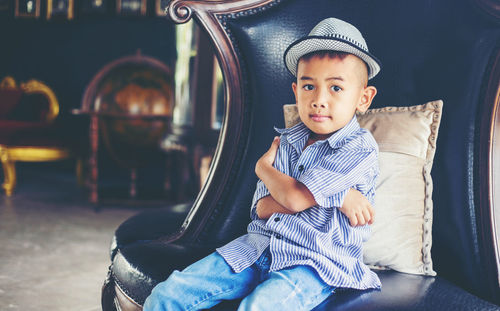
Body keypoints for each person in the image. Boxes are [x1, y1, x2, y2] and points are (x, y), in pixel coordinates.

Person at [143, 17, 382, 311]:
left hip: (314, 263)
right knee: (167, 294)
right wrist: (335, 196)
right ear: (296, 91)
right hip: (256, 248)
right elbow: (261, 208)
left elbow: (293, 199)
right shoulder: (286, 141)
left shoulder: (358, 147)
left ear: (363, 98)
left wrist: (265, 170)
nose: (319, 100)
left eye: (335, 88)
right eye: (309, 86)